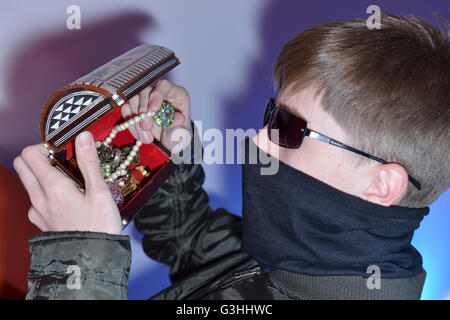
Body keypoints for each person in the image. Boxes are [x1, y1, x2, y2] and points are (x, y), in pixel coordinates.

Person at [14, 14, 449, 300]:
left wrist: (76, 256)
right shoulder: (308, 255)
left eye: (289, 129)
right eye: (271, 116)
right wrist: (167, 150)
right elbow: (193, 245)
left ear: (381, 184)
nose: (259, 141)